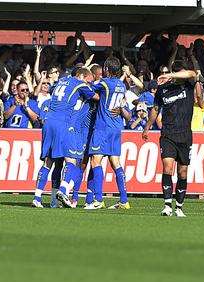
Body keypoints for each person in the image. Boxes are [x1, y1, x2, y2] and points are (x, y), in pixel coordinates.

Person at [32, 68, 97, 208]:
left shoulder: (61, 82)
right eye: (88, 81)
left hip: (49, 122)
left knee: (49, 161)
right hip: (64, 123)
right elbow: (96, 97)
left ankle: (37, 197)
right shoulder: (79, 84)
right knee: (71, 160)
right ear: (81, 76)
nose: (88, 84)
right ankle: (63, 190)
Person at [142, 61, 201, 217]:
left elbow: (192, 73)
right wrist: (147, 126)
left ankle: (179, 207)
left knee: (183, 172)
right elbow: (155, 109)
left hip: (185, 135)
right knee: (167, 168)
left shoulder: (188, 84)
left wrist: (169, 74)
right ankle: (167, 205)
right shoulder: (163, 89)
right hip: (168, 134)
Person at [88, 57, 132, 210]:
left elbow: (88, 88)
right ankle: (124, 200)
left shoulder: (104, 83)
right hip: (116, 127)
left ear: (106, 69)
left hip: (103, 126)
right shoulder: (121, 85)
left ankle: (98, 200)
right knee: (115, 162)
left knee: (95, 161)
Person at [55, 68, 99, 207]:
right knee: (75, 163)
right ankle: (66, 192)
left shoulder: (69, 85)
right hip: (78, 131)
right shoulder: (86, 90)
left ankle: (69, 196)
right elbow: (98, 97)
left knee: (76, 164)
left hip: (70, 128)